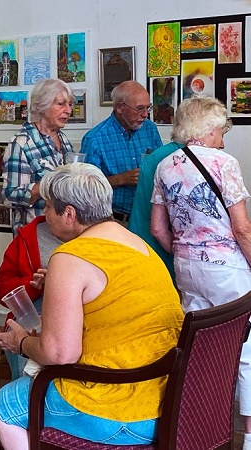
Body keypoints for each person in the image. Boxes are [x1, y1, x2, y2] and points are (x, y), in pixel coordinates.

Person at [0, 163, 183, 448]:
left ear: (69, 213)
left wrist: (19, 342)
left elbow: (59, 354)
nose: (44, 214)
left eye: (48, 207)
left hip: (115, 409)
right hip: (169, 398)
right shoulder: (139, 244)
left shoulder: (69, 257)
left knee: (6, 405)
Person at [150, 96, 251, 448]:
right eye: (222, 128)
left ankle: (195, 425)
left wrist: (187, 253)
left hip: (187, 268)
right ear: (208, 129)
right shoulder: (224, 162)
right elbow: (242, 230)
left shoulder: (166, 165)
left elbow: (159, 229)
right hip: (227, 271)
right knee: (247, 351)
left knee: (197, 347)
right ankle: (250, 437)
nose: (223, 136)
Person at [82, 80, 163, 222]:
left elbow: (162, 165)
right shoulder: (95, 139)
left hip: (149, 216)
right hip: (115, 220)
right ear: (120, 108)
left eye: (148, 108)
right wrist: (121, 179)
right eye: (139, 108)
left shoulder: (150, 129)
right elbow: (86, 187)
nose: (145, 115)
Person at [3, 78, 75, 234]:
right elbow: (10, 197)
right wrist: (47, 185)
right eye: (61, 104)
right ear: (42, 106)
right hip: (35, 234)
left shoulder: (64, 140)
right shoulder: (21, 143)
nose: (68, 110)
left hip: (65, 234)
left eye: (70, 104)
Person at [0, 215, 61, 379]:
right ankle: (27, 398)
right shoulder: (28, 236)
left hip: (81, 310)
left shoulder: (99, 238)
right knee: (23, 342)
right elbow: (2, 289)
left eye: (50, 205)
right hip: (30, 309)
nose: (44, 210)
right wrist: (32, 283)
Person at [128, 138, 181, 283]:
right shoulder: (178, 159)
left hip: (144, 237)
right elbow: (158, 230)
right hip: (157, 244)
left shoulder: (158, 150)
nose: (222, 144)